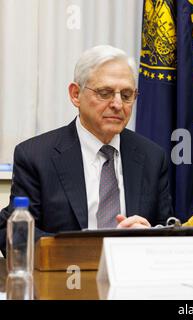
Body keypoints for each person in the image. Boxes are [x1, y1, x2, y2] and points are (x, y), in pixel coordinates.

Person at [0, 45, 173, 254]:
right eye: (105, 93)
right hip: (65, 278)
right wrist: (96, 247)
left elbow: (167, 231)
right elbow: (15, 235)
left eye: (126, 95)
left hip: (131, 277)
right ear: (75, 94)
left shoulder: (152, 157)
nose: (118, 104)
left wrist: (150, 237)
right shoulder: (36, 156)